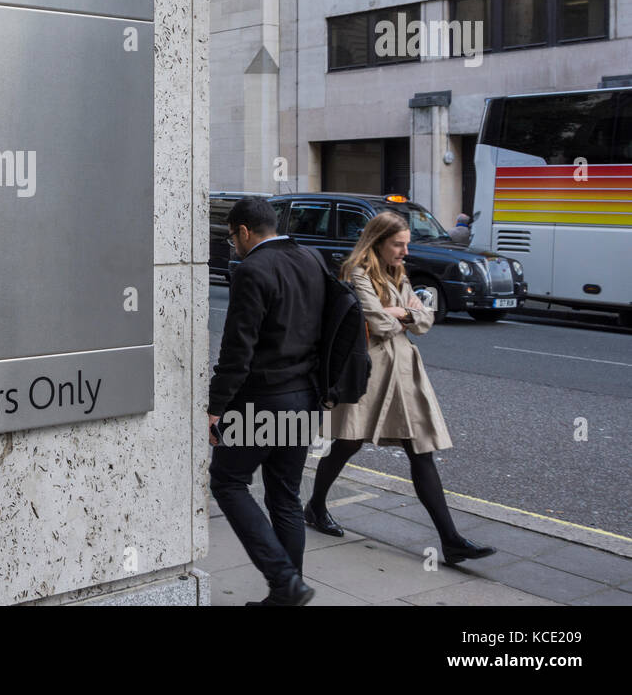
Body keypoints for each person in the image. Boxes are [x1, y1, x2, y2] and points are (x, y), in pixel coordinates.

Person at [303, 210, 496, 565]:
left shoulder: (398, 272)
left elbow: (426, 319)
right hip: (367, 373)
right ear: (377, 242)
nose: (405, 252)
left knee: (420, 450)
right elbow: (376, 322)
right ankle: (315, 506)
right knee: (347, 443)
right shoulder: (357, 272)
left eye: (407, 245)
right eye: (398, 245)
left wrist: (401, 314)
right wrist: (398, 314)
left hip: (404, 374)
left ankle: (450, 540)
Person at [208, 197, 325, 605]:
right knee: (285, 496)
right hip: (305, 397)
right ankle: (288, 593)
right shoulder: (311, 259)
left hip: (262, 402)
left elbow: (237, 349)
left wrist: (216, 406)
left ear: (243, 231)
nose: (231, 245)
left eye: (230, 237)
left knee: (227, 482)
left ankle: (284, 581)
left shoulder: (252, 270)